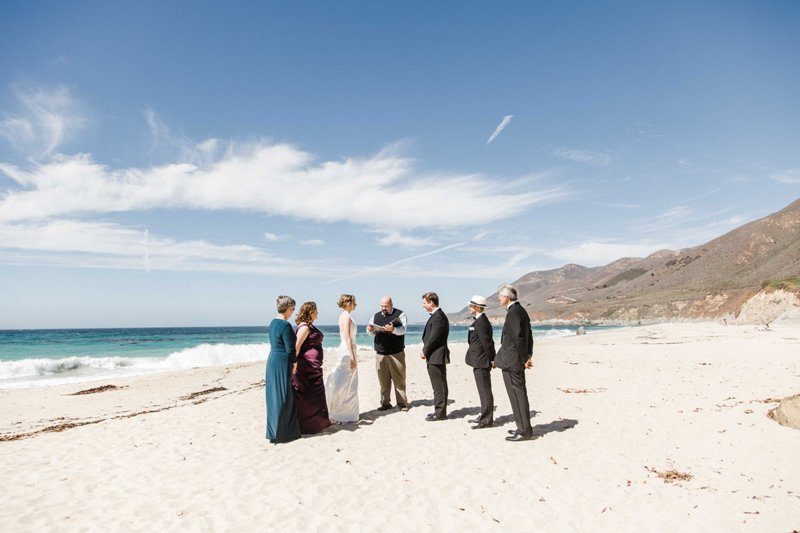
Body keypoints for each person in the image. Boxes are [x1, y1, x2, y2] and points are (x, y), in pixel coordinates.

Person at [494, 284, 534, 442]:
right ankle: (522, 427)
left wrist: (525, 358)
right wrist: (529, 354)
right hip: (515, 360)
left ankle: (524, 431)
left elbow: (518, 338)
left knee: (517, 395)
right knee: (518, 395)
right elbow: (529, 335)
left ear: (507, 297)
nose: (499, 298)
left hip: (512, 361)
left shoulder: (514, 312)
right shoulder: (520, 311)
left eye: (500, 296)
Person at [266, 295, 302, 444]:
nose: (293, 312)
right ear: (287, 308)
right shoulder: (286, 325)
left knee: (273, 396)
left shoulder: (272, 322)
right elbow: (290, 349)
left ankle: (273, 431)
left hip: (272, 361)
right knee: (284, 396)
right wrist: (295, 364)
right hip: (282, 362)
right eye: (292, 309)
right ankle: (284, 433)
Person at [292, 302, 332, 435]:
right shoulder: (304, 328)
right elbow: (296, 348)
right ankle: (309, 426)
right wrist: (294, 365)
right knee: (309, 398)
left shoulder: (309, 326)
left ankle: (319, 423)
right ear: (310, 312)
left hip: (313, 368)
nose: (318, 313)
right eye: (316, 310)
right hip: (306, 369)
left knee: (316, 397)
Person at [367, 296, 409, 412]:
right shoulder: (375, 316)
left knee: (399, 379)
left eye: (386, 306)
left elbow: (403, 330)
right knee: (383, 380)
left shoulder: (401, 314)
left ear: (391, 304)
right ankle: (385, 403)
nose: (383, 308)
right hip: (380, 352)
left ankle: (402, 404)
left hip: (396, 352)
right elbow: (370, 332)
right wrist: (370, 330)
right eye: (382, 306)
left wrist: (393, 330)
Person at [325, 294, 360, 423]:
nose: (354, 304)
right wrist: (352, 356)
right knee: (345, 382)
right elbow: (347, 337)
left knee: (349, 381)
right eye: (353, 302)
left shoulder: (345, 315)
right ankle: (340, 413)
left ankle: (347, 413)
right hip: (347, 350)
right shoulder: (346, 316)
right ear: (348, 303)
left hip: (348, 349)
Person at [465, 295, 495, 429]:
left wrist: (492, 359)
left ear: (476, 307)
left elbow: (487, 343)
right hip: (478, 360)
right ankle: (484, 415)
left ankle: (486, 420)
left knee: (485, 391)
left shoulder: (482, 322)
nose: (469, 307)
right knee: (482, 390)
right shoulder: (478, 321)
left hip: (482, 361)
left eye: (471, 305)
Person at [420, 292, 450, 421]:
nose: (423, 306)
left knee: (439, 385)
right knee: (438, 384)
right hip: (434, 355)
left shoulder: (439, 317)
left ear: (431, 303)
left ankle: (440, 413)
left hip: (436, 355)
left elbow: (434, 337)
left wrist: (424, 351)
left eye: (424, 303)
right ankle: (439, 410)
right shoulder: (437, 316)